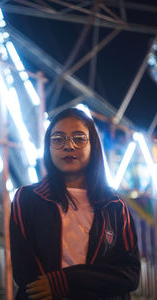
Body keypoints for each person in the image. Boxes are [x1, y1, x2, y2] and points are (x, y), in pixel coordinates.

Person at [10, 108, 140, 300]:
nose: (68, 146)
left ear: (93, 146)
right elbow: (27, 276)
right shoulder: (27, 199)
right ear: (47, 146)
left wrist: (65, 282)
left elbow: (130, 275)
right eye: (57, 139)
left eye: (78, 138)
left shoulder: (114, 205)